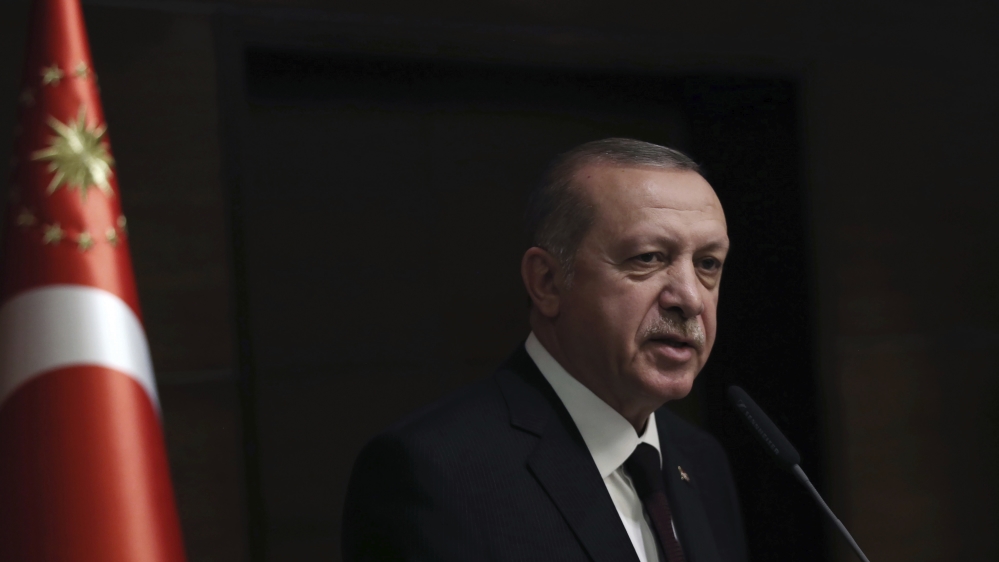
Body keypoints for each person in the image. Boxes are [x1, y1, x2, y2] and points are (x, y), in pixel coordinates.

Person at [342, 138, 748, 562]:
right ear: (547, 283)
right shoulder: (434, 471)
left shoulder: (701, 461)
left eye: (708, 264)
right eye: (648, 257)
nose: (691, 299)